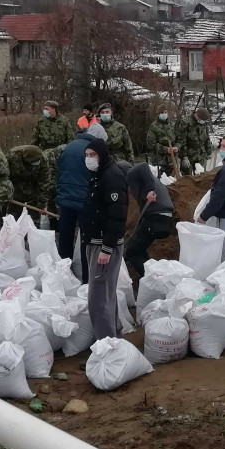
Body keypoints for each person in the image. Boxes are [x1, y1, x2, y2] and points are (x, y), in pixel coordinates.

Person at [80, 137, 127, 339]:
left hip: (104, 245)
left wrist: (107, 248)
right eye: (87, 156)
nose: (89, 159)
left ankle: (105, 346)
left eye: (93, 155)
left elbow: (117, 215)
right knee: (105, 295)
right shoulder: (99, 175)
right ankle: (114, 336)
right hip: (95, 241)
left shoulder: (112, 177)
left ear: (102, 155)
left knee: (98, 300)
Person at [56, 123, 105, 281]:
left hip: (65, 197)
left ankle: (64, 273)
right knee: (87, 238)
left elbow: (59, 169)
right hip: (84, 199)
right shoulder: (92, 151)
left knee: (65, 236)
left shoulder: (69, 146)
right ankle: (86, 278)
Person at [123, 161, 174, 283]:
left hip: (156, 218)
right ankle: (151, 274)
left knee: (132, 252)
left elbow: (143, 165)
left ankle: (152, 282)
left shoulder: (131, 173)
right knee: (139, 248)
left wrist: (151, 190)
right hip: (164, 219)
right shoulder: (145, 182)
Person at [8, 144, 52, 214]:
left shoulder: (43, 159)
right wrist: (8, 193)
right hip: (16, 188)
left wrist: (42, 204)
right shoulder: (12, 156)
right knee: (14, 215)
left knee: (33, 216)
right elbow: (5, 176)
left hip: (33, 188)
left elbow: (44, 182)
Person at [177, 106, 211, 174]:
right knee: (187, 179)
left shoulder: (203, 124)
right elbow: (181, 141)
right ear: (197, 116)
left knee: (201, 177)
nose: (203, 121)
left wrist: (208, 151)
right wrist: (184, 157)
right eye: (202, 119)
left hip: (201, 155)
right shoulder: (185, 122)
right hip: (189, 155)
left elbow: (206, 138)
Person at [146, 105, 178, 174]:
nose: (164, 114)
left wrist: (176, 147)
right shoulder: (153, 126)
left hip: (172, 160)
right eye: (162, 113)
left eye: (166, 112)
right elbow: (151, 145)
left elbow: (178, 139)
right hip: (159, 160)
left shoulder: (172, 125)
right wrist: (166, 149)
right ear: (158, 114)